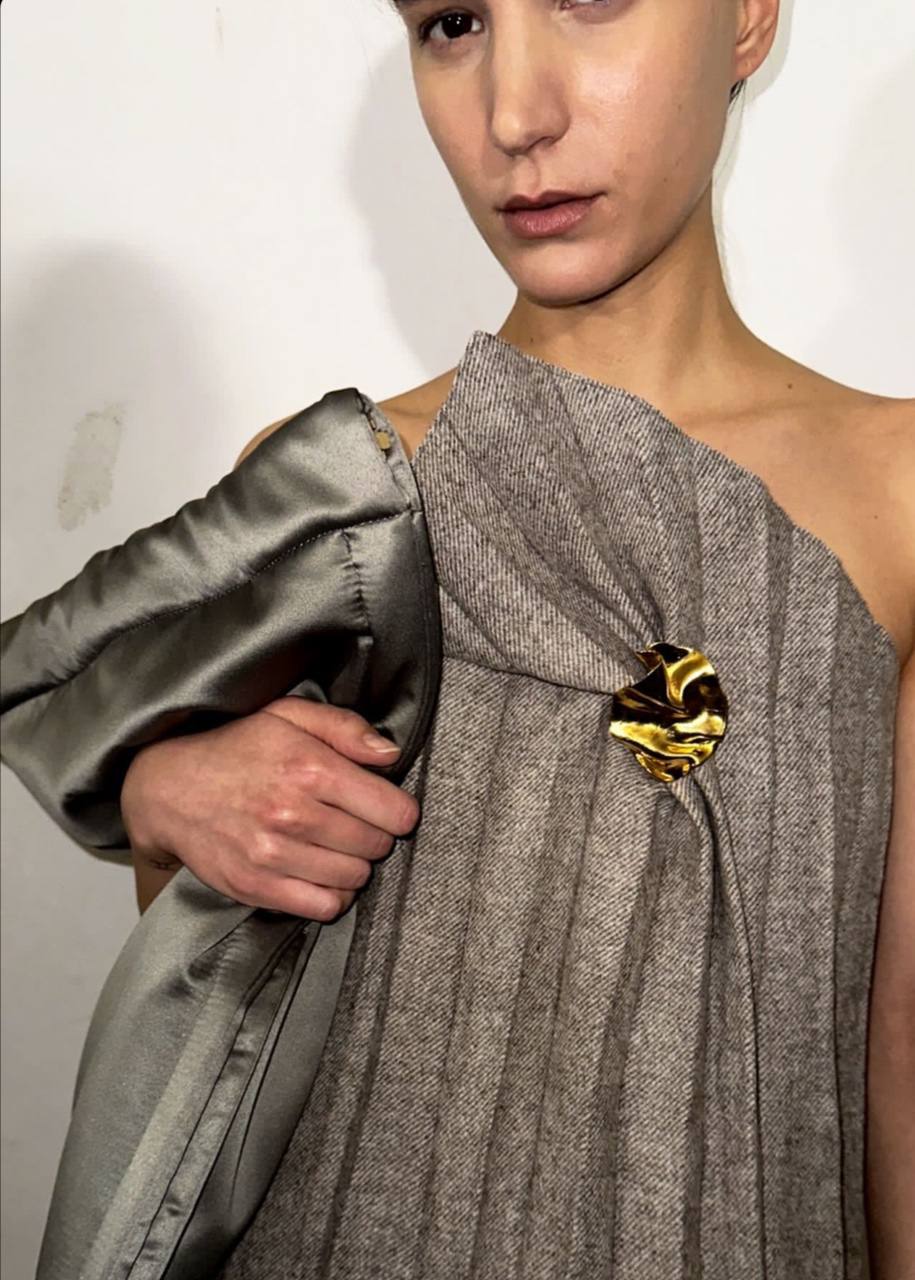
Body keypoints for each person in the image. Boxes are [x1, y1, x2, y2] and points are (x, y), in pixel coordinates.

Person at [115, 0, 914, 1276]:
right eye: (452, 24)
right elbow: (209, 1033)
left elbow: (899, 1080)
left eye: (588, 0)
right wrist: (160, 807)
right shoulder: (328, 492)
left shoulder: (895, 489)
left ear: (750, 18)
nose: (514, 114)